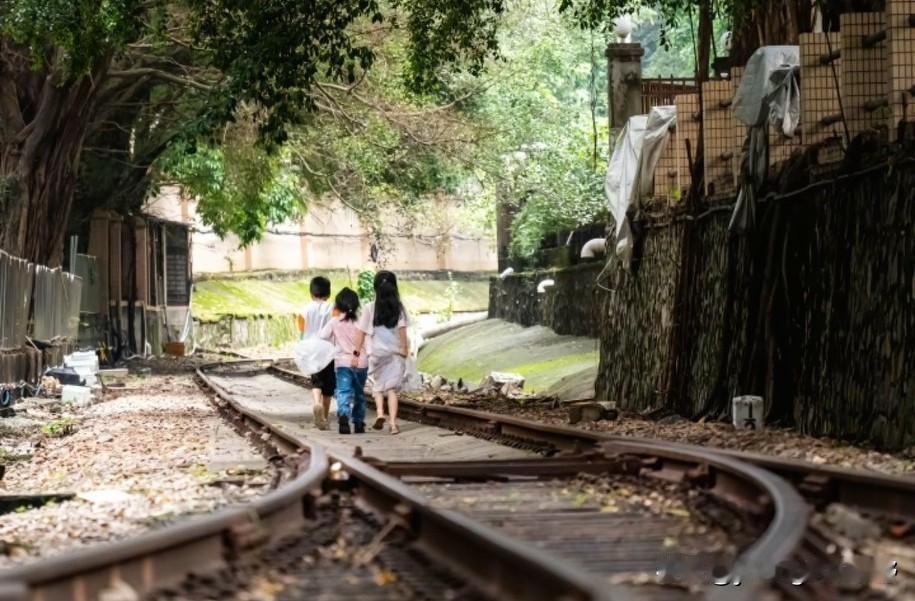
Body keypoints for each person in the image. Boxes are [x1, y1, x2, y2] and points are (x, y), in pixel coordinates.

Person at [353, 271, 409, 435]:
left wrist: (356, 354)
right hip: (395, 354)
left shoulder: (369, 308)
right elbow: (402, 331)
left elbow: (361, 333)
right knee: (391, 389)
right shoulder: (399, 308)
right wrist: (405, 349)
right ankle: (393, 424)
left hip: (376, 353)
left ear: (375, 288)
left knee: (378, 387)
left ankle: (379, 413)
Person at [320, 288, 369, 434]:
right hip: (361, 362)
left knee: (343, 391)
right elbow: (368, 341)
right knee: (359, 393)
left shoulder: (334, 322)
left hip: (342, 363)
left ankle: (343, 416)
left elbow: (322, 336)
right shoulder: (361, 322)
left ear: (338, 305)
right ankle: (358, 423)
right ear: (356, 304)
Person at [296, 276, 334, 430]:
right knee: (328, 387)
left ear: (311, 293)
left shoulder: (304, 310)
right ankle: (324, 417)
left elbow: (301, 330)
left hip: (311, 349)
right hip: (329, 350)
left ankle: (317, 403)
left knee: (316, 381)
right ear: (328, 293)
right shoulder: (333, 308)